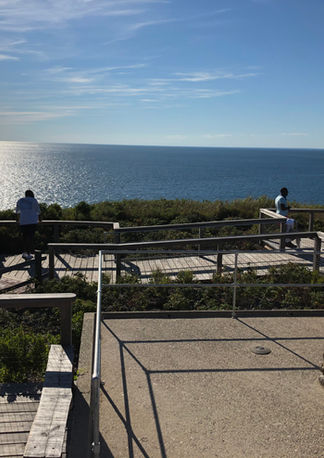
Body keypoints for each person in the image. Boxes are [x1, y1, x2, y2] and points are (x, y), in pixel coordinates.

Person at [16, 190, 41, 260]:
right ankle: (29, 253)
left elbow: (17, 212)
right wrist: (40, 220)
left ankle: (24, 252)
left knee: (24, 237)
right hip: (32, 221)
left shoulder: (20, 200)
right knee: (30, 238)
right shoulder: (34, 200)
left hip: (23, 221)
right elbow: (38, 211)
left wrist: (18, 220)